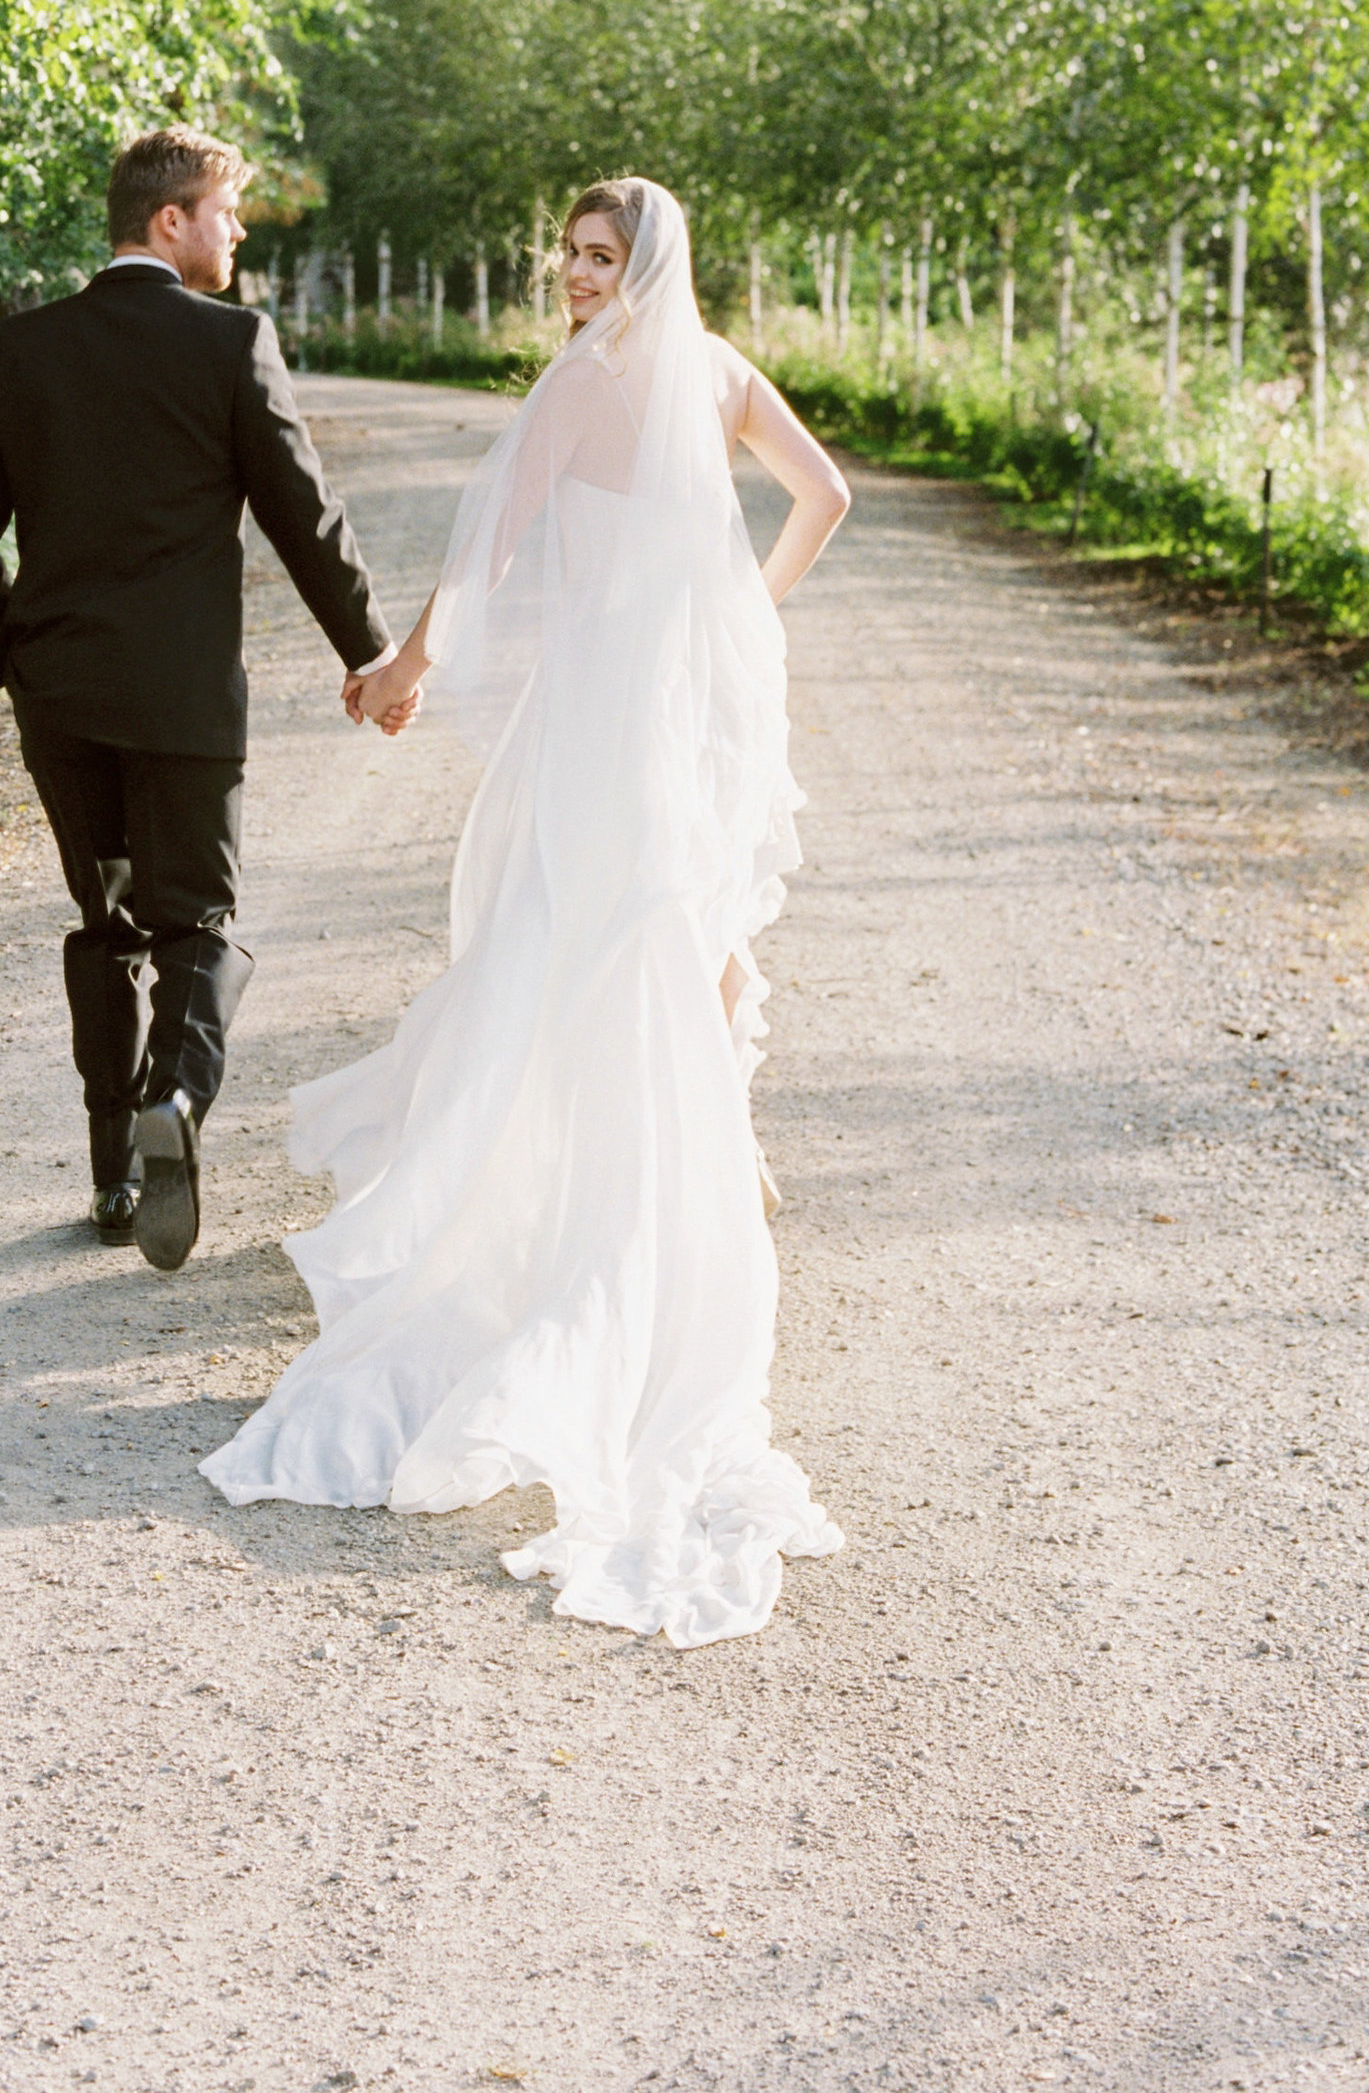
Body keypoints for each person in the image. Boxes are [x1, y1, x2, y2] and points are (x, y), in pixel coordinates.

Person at [201, 176, 852, 1645]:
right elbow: (827, 497)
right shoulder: (724, 371)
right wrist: (744, 608)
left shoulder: (583, 385)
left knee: (561, 962)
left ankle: (577, 1227)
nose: (572, 274)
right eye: (566, 250)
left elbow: (485, 555)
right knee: (664, 948)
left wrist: (406, 670)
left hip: (602, 728)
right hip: (677, 718)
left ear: (645, 263)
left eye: (599, 254)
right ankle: (693, 1160)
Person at [0, 130, 400, 1270]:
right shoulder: (230, 342)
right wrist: (371, 655)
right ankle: (175, 1104)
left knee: (107, 922)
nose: (237, 231)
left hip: (61, 694)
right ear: (169, 222)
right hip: (185, 697)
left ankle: (109, 1172)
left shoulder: (21, 347)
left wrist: (7, 661)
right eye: (224, 211)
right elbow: (305, 516)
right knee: (196, 919)